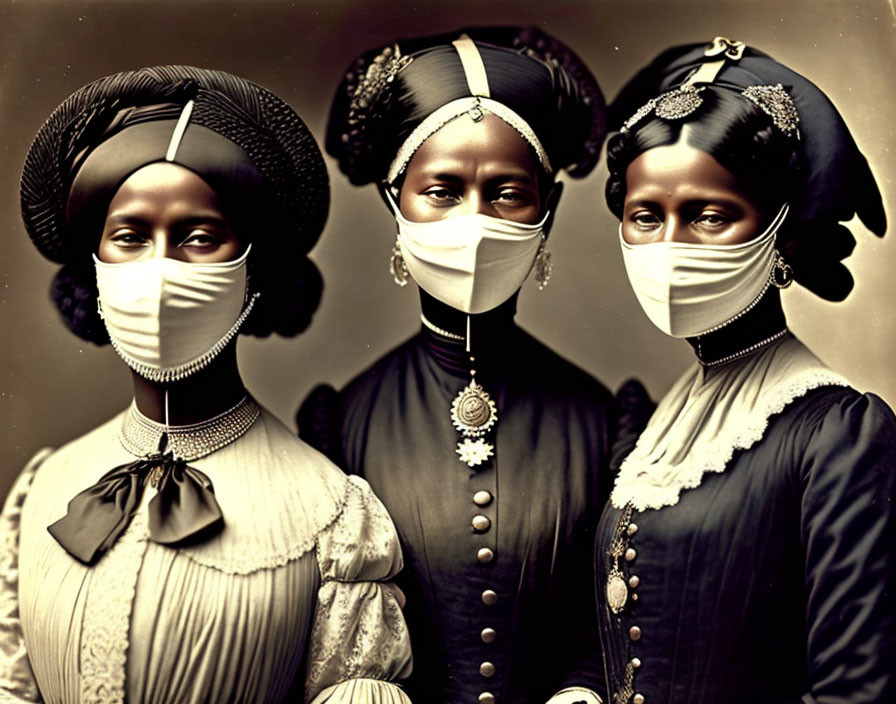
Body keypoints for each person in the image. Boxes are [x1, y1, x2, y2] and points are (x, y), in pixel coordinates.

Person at [0, 65, 414, 704]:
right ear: (95, 268)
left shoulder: (328, 512)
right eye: (131, 237)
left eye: (198, 237)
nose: (161, 268)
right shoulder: (44, 486)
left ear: (252, 273)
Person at [298, 26, 636, 704]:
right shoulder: (343, 423)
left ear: (547, 206)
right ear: (396, 205)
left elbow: (613, 622)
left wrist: (582, 692)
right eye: (443, 190)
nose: (475, 221)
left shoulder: (603, 419)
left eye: (507, 192)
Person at [595, 37, 896, 704]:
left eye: (709, 215)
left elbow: (856, 694)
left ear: (780, 235)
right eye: (647, 216)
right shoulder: (657, 425)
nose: (670, 244)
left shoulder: (836, 434)